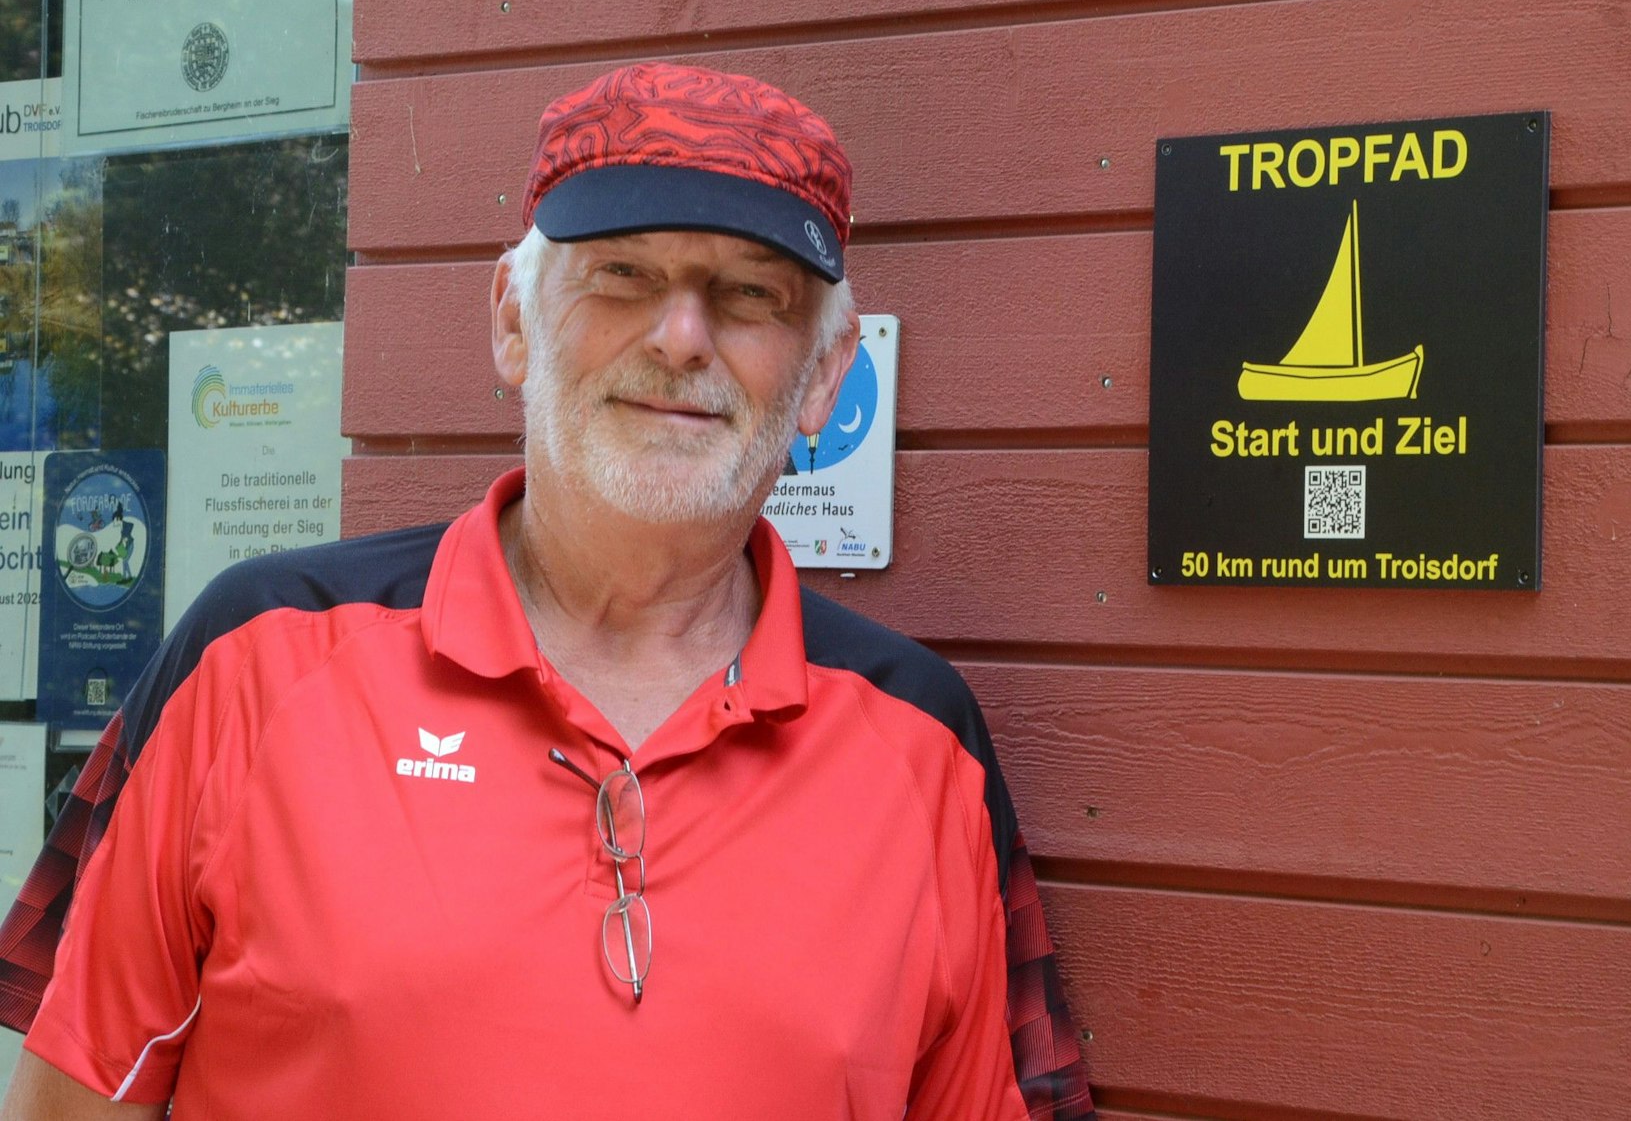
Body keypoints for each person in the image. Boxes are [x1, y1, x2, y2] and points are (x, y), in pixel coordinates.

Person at [0, 62, 1094, 1120]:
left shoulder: (925, 747)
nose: (679, 337)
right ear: (513, 321)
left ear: (822, 373)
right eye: (620, 273)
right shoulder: (257, 656)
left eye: (750, 293)